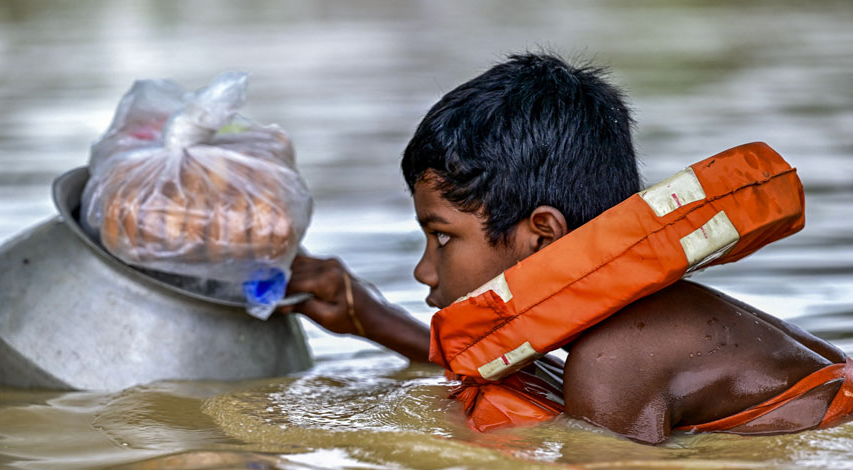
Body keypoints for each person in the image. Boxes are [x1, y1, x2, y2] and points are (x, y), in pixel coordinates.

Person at [281, 52, 851, 445]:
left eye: (442, 236)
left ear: (543, 235)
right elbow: (529, 372)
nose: (424, 269)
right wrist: (369, 319)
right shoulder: (633, 330)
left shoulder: (616, 358)